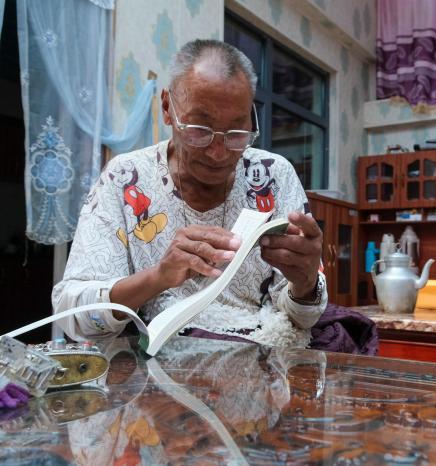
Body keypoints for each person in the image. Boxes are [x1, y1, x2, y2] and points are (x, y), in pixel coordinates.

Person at [52, 39, 327, 348]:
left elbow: (302, 320)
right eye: (200, 129)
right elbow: (76, 315)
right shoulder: (126, 179)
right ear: (167, 108)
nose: (218, 152)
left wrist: (306, 283)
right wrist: (158, 277)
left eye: (237, 133)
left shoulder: (273, 176)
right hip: (156, 362)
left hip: (260, 354)